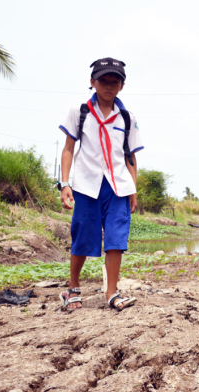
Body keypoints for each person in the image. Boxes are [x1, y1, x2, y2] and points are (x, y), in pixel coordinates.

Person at [57, 57, 144, 312]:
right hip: (86, 185)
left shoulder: (127, 118)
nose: (108, 86)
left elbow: (130, 156)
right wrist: (65, 184)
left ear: (122, 85)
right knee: (82, 235)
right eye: (103, 81)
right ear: (92, 82)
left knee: (117, 238)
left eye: (114, 81)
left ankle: (112, 292)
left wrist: (133, 188)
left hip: (118, 186)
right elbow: (68, 149)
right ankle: (72, 288)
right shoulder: (80, 112)